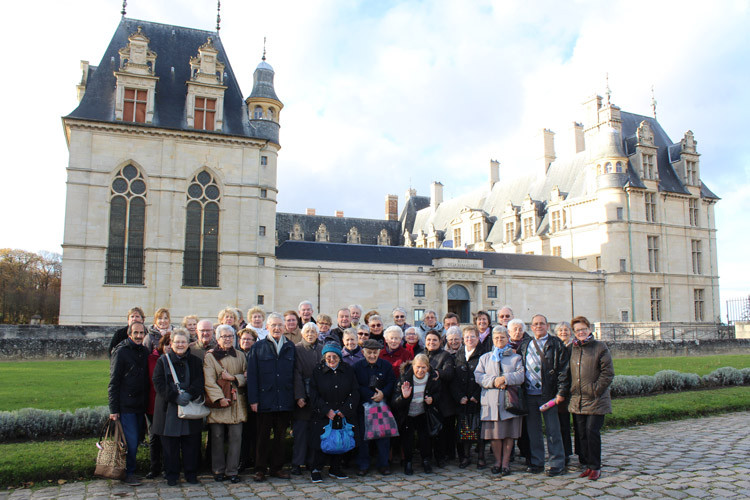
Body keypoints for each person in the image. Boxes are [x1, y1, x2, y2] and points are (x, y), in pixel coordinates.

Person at [516, 314, 570, 476]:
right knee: (534, 431)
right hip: (530, 394)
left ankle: (556, 462)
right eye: (535, 324)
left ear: (547, 326)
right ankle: (537, 461)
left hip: (549, 395)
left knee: (553, 430)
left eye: (541, 324)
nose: (538, 326)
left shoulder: (555, 344)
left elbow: (564, 371)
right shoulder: (526, 344)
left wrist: (561, 392)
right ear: (531, 327)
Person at [151, 330, 205, 486]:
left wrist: (189, 394)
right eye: (177, 342)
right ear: (171, 343)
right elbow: (159, 383)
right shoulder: (163, 361)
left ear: (188, 343)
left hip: (189, 405)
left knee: (191, 444)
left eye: (183, 342)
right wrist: (175, 397)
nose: (180, 345)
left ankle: (191, 473)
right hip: (169, 409)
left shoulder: (195, 361)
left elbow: (199, 381)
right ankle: (172, 475)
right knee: (170, 446)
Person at [247, 313, 295, 482]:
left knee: (280, 437)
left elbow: (294, 374)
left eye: (279, 325)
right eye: (273, 325)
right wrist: (253, 399)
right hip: (264, 400)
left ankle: (277, 468)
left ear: (284, 328)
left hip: (284, 399)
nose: (277, 328)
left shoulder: (290, 347)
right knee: (262, 437)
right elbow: (252, 375)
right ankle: (260, 469)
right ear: (267, 327)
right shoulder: (258, 347)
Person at [475, 326, 525, 476]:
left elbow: (521, 376)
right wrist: (494, 381)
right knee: (495, 435)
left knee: (509, 434)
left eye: (502, 337)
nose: (499, 340)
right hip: (491, 402)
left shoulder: (516, 357)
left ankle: (505, 462)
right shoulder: (485, 358)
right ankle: (497, 461)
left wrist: (506, 379)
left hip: (509, 402)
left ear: (507, 339)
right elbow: (478, 376)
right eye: (496, 338)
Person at [569, 316, 614, 481]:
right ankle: (587, 464)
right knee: (581, 433)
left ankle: (595, 466)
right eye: (577, 330)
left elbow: (608, 373)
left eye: (583, 329)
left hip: (596, 399)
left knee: (591, 431)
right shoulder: (572, 349)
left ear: (589, 329)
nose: (581, 332)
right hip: (577, 399)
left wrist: (595, 390)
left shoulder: (600, 347)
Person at [308, 343, 360, 482]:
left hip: (341, 412)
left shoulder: (348, 370)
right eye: (328, 357)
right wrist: (326, 410)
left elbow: (354, 391)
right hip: (323, 412)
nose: (331, 359)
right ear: (324, 357)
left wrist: (345, 410)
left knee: (339, 441)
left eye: (335, 356)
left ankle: (335, 468)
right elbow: (313, 393)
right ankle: (316, 469)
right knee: (320, 441)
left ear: (339, 357)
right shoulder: (317, 371)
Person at [108, 321, 150, 486]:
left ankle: (129, 471)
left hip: (141, 404)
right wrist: (114, 409)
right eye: (136, 333)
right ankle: (128, 473)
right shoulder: (121, 352)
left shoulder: (145, 351)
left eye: (141, 333)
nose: (139, 336)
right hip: (126, 405)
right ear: (129, 334)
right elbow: (114, 382)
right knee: (130, 442)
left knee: (136, 441)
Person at [204, 324, 247, 483]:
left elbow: (246, 376)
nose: (228, 339)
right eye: (224, 336)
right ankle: (218, 470)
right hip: (219, 403)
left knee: (236, 438)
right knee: (217, 437)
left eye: (230, 336)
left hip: (236, 403)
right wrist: (220, 398)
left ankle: (232, 471)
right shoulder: (210, 357)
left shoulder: (241, 355)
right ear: (217, 338)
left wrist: (234, 379)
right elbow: (209, 381)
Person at [353, 339, 396, 476]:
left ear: (379, 352)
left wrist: (383, 393)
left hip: (381, 407)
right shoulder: (357, 367)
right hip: (363, 407)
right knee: (364, 437)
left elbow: (391, 382)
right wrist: (371, 395)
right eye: (369, 352)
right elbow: (355, 386)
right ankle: (363, 465)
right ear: (363, 352)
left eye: (375, 353)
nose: (372, 355)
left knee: (383, 437)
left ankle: (383, 464)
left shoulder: (386, 366)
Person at [391, 353, 440, 475]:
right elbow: (394, 402)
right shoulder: (404, 378)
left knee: (425, 438)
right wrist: (404, 397)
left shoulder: (432, 378)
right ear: (413, 366)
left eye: (423, 367)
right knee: (408, 439)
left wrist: (432, 399)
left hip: (423, 412)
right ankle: (408, 462)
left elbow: (438, 394)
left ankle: (426, 461)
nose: (420, 370)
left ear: (428, 368)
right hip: (407, 414)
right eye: (418, 367)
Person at [291, 322, 324, 476]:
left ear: (317, 334)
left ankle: (313, 462)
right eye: (308, 331)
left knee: (315, 432)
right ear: (303, 334)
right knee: (301, 432)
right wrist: (299, 396)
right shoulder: (297, 349)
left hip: (318, 396)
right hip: (303, 396)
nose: (310, 334)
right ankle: (297, 463)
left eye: (313, 331)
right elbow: (296, 373)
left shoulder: (321, 348)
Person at [451, 325, 485, 468]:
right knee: (464, 429)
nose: (470, 339)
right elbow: (453, 380)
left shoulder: (484, 355)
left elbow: (486, 375)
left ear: (478, 338)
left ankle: (481, 457)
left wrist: (476, 395)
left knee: (480, 429)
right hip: (463, 399)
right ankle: (465, 456)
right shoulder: (458, 356)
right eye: (467, 337)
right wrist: (460, 396)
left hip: (478, 398)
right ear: (463, 340)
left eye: (473, 336)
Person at [424, 330, 457, 465]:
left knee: (443, 431)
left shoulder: (445, 356)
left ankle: (442, 456)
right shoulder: (421, 354)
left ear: (440, 342)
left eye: (434, 340)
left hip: (442, 399)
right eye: (429, 340)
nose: (431, 342)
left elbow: (449, 372)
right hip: (425, 398)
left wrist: (438, 373)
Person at [145, 332, 171, 480]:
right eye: (166, 344)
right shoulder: (151, 359)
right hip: (153, 403)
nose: (169, 347)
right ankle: (154, 467)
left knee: (168, 437)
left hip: (170, 404)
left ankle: (168, 468)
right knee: (154, 436)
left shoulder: (176, 359)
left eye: (171, 344)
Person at [237, 328, 258, 472]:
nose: (245, 341)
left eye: (249, 339)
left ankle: (257, 461)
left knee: (254, 431)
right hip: (238, 397)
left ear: (254, 341)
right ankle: (243, 460)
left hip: (254, 397)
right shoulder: (236, 355)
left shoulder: (257, 354)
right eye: (243, 339)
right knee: (242, 433)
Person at [554, 321, 575, 463]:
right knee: (559, 423)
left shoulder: (574, 347)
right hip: (558, 390)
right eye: (561, 330)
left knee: (568, 424)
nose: (563, 332)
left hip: (572, 389)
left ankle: (568, 452)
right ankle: (562, 452)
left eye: (566, 330)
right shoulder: (555, 347)